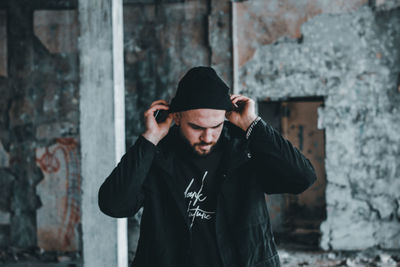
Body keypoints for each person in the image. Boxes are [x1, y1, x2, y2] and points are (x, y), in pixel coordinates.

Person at [98, 66, 317, 267]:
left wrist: (253, 125)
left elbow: (302, 178)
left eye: (216, 126)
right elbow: (114, 205)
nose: (207, 136)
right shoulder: (156, 155)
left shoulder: (244, 149)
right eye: (196, 127)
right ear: (176, 117)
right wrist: (149, 139)